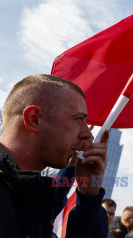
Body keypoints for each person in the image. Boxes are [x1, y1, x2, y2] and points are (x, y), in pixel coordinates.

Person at [0, 74, 109, 238]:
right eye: (79, 119)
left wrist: (89, 197)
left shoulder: (31, 197)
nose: (88, 134)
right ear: (34, 119)